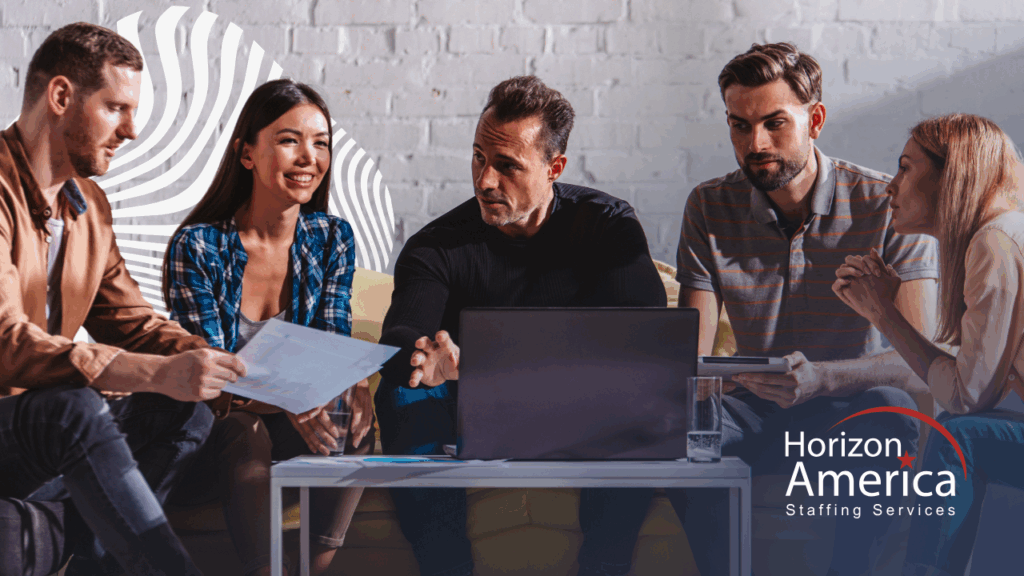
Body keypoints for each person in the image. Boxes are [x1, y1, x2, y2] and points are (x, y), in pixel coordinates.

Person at [374, 75, 667, 576]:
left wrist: (491, 364)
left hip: (581, 405)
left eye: (507, 165)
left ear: (554, 168)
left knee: (641, 396)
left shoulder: (607, 224)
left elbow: (647, 335)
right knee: (402, 392)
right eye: (478, 158)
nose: (485, 180)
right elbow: (399, 338)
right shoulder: (436, 246)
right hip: (473, 413)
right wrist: (425, 357)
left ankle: (604, 565)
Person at [669, 43, 942, 576]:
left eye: (775, 123)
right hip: (752, 410)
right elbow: (692, 360)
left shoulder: (886, 206)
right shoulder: (709, 205)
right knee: (677, 425)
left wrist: (822, 378)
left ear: (814, 120)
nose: (756, 143)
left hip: (851, 409)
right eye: (740, 126)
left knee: (890, 415)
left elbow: (919, 364)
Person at [0, 22, 247, 576]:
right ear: (60, 96)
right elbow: (5, 340)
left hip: (44, 434)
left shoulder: (89, 207)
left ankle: (92, 556)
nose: (130, 131)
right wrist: (152, 373)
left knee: (186, 411)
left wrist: (226, 367)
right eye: (116, 108)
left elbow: (134, 323)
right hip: (18, 424)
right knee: (74, 411)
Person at [162, 78, 375, 576]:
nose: (309, 158)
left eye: (320, 143)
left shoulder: (332, 238)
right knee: (244, 429)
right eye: (289, 140)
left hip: (295, 428)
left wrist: (351, 380)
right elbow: (211, 376)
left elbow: (331, 343)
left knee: (354, 415)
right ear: (247, 154)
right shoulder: (197, 246)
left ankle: (313, 568)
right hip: (215, 433)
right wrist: (287, 398)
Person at [833, 113, 1024, 576]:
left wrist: (885, 315)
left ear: (951, 176)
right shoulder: (1005, 233)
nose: (890, 186)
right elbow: (979, 386)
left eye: (905, 168)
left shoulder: (994, 243)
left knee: (958, 437)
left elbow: (966, 396)